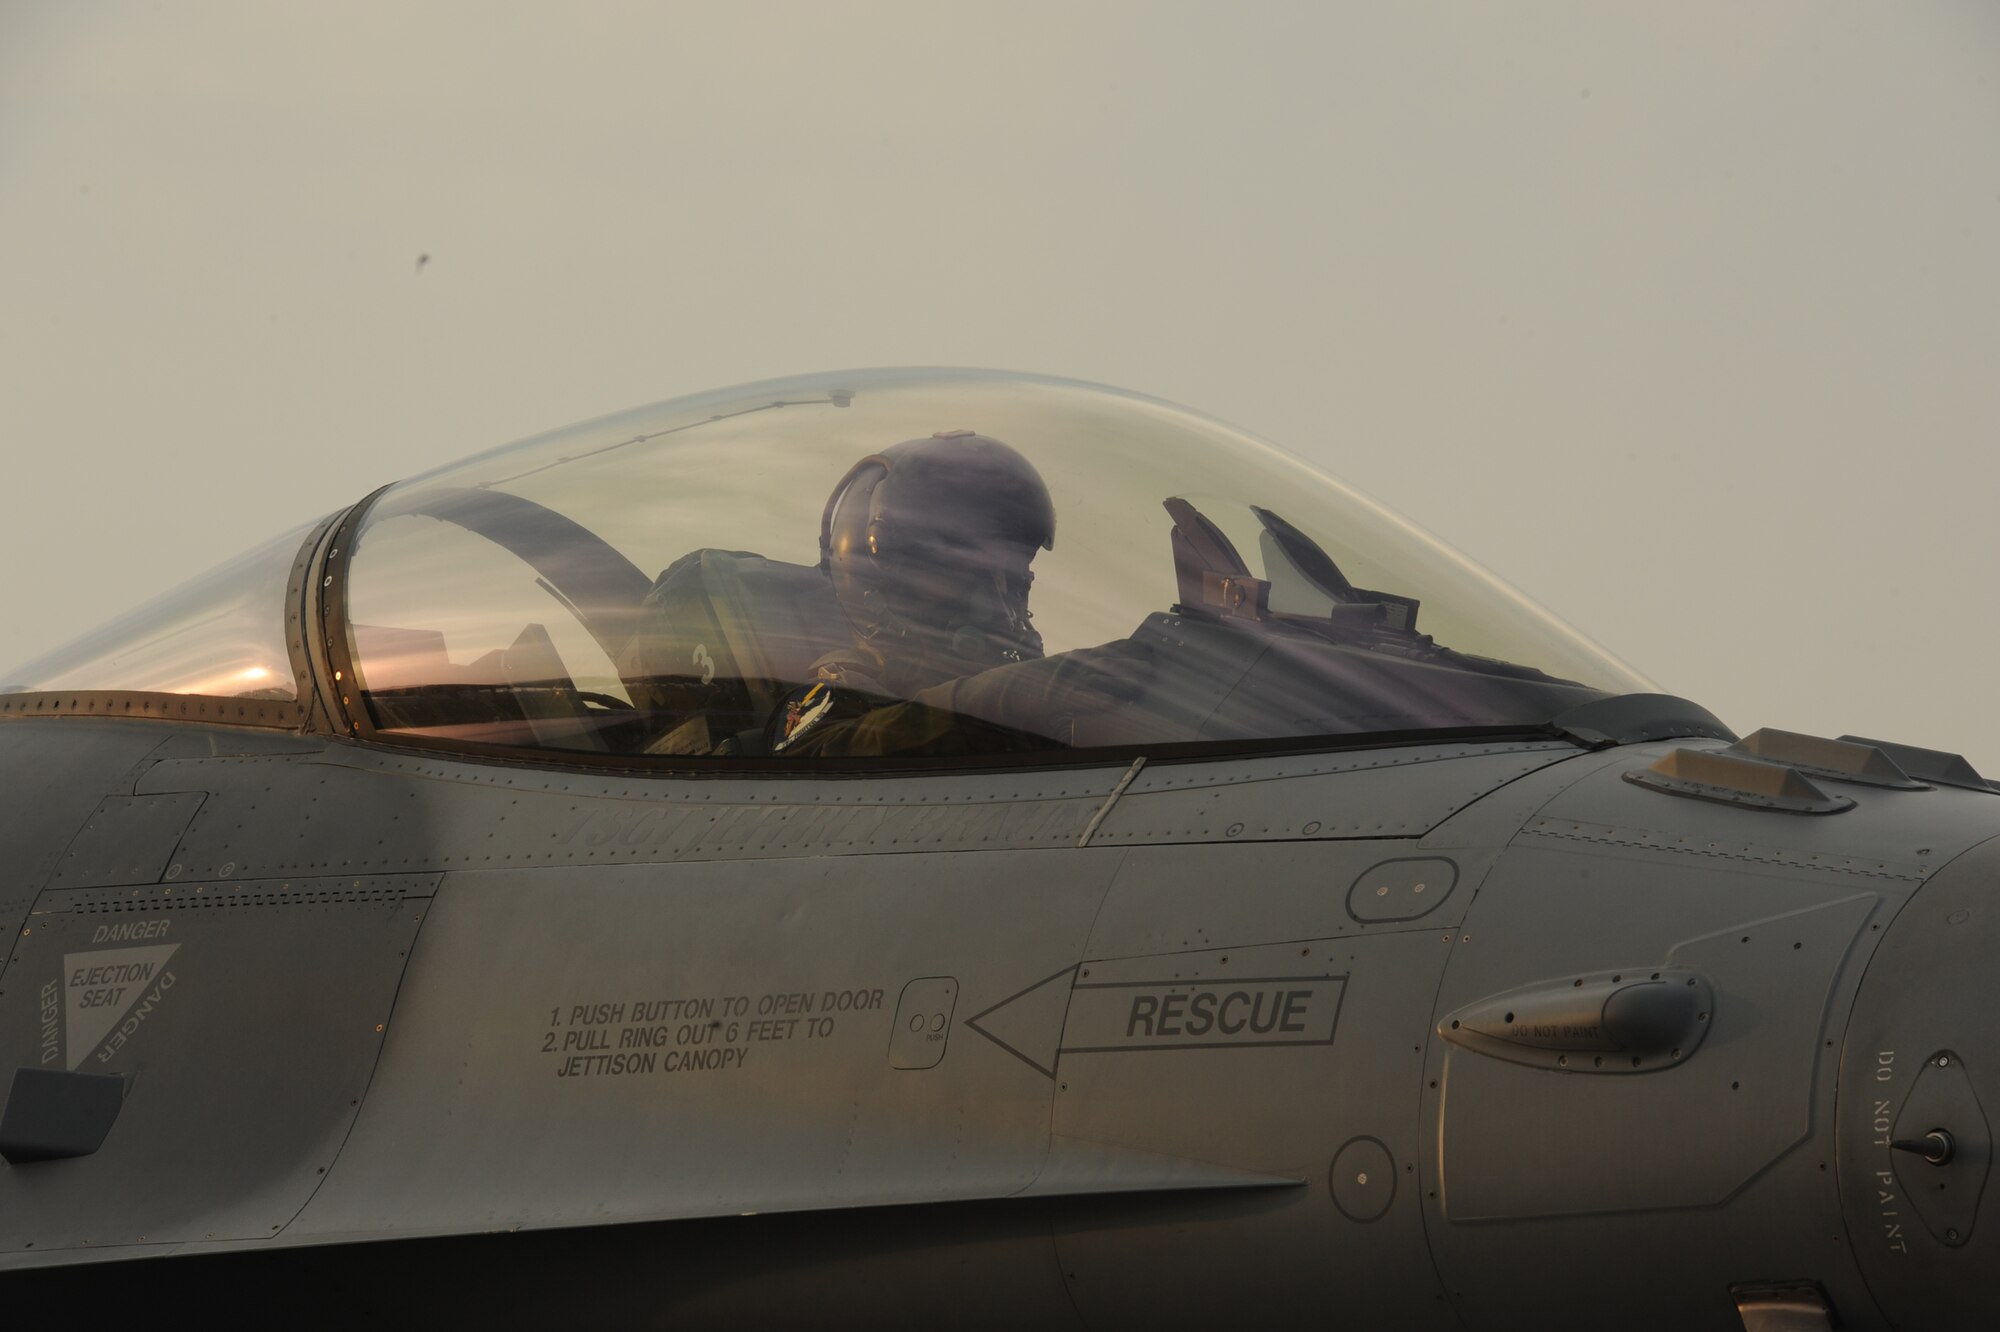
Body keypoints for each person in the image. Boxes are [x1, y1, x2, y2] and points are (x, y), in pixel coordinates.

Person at [767, 430, 1057, 756]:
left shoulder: (1037, 693)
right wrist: (1022, 695)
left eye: (1011, 574)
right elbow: (834, 753)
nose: (1000, 601)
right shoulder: (837, 696)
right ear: (885, 584)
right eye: (970, 574)